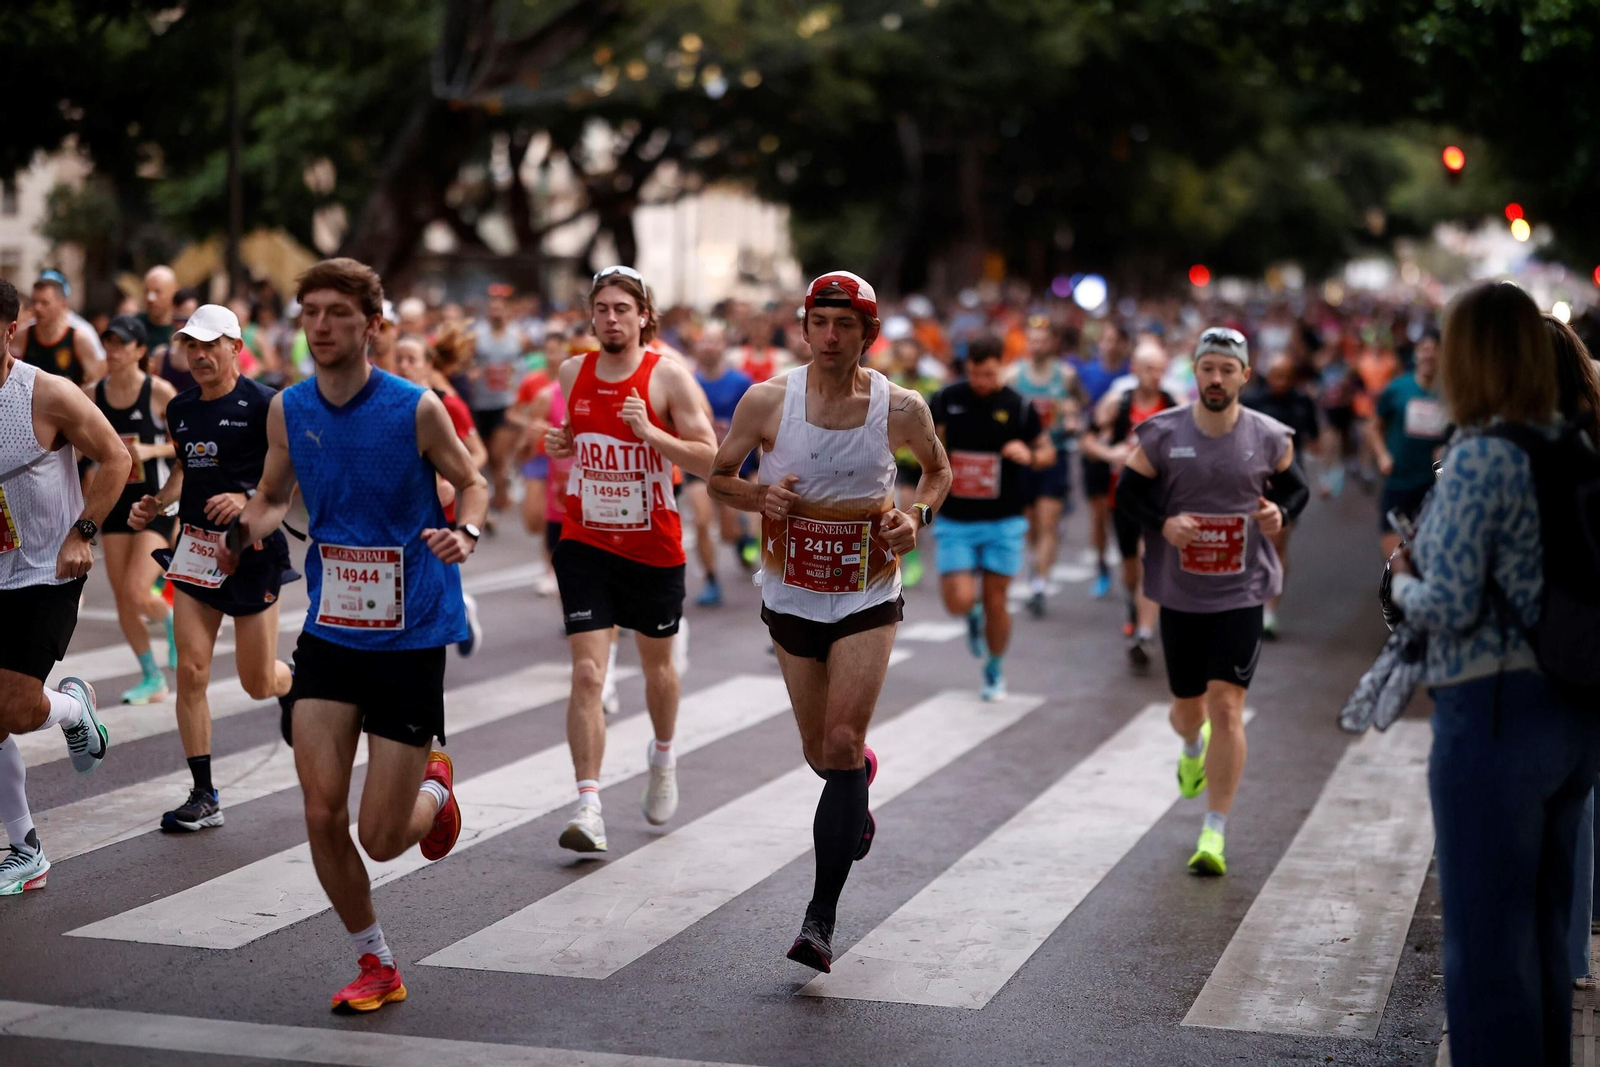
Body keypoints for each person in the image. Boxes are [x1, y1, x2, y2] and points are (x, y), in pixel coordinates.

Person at [220, 257, 484, 1014]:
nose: (322, 326)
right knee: (319, 809)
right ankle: (376, 961)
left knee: (382, 834)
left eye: (338, 312)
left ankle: (435, 788)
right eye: (310, 313)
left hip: (409, 636)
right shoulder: (288, 409)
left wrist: (463, 528)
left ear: (373, 325)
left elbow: (473, 479)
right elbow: (273, 495)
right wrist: (245, 528)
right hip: (332, 632)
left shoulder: (416, 407)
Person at [707, 270, 950, 972]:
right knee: (823, 755)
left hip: (867, 590)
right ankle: (856, 782)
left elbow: (936, 471)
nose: (832, 337)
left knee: (842, 741)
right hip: (791, 592)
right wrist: (759, 496)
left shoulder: (899, 408)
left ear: (868, 335)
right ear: (805, 327)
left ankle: (820, 918)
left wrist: (917, 517)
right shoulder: (767, 400)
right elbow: (720, 476)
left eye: (846, 326)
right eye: (820, 323)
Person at [1389, 281, 1600, 1065]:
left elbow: (1443, 601)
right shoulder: (1574, 444)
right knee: (1545, 934)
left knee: (1484, 946)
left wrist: (1401, 574)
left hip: (1495, 711)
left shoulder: (1481, 456)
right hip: (1574, 710)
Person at [1113, 326, 1308, 877]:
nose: (1216, 378)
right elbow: (1126, 495)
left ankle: (1214, 830)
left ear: (1245, 375)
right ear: (1194, 373)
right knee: (1188, 710)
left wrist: (1281, 514)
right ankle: (1190, 747)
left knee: (1228, 707)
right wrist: (1163, 522)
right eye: (1207, 368)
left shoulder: (1269, 436)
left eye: (1227, 368)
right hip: (1180, 593)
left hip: (1241, 592)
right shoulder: (1161, 434)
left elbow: (1297, 488)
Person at [543, 266, 717, 852]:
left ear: (644, 315)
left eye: (623, 308)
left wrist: (652, 433)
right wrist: (563, 443)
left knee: (658, 673)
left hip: (653, 548)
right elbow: (577, 434)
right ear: (591, 315)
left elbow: (708, 458)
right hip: (585, 542)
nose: (611, 319)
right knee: (589, 672)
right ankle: (588, 806)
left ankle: (662, 757)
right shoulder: (573, 371)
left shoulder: (667, 377)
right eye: (602, 309)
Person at [128, 304, 296, 833]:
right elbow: (185, 464)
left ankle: (291, 684)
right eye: (190, 346)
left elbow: (287, 483)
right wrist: (158, 504)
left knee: (256, 682)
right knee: (192, 672)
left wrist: (245, 498)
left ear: (235, 347)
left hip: (253, 555)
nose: (198, 355)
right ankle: (204, 794)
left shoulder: (267, 405)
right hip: (196, 554)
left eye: (209, 345)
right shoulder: (180, 409)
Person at [0, 277, 129, 895]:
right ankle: (24, 850)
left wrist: (83, 532)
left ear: (9, 331)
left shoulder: (47, 395)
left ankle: (76, 708)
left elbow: (116, 458)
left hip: (46, 570)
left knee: (16, 708)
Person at [930, 336, 1052, 700]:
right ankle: (972, 615)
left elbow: (1047, 452)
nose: (981, 381)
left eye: (988, 374)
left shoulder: (1018, 406)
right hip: (956, 519)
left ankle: (994, 668)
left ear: (1001, 365)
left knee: (997, 599)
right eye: (974, 374)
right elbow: (923, 441)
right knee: (959, 600)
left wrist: (1028, 453)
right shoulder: (947, 399)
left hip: (1004, 519)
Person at [89, 315, 178, 703]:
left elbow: (189, 447)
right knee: (123, 599)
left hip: (156, 502)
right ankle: (152, 678)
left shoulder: (158, 392)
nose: (112, 350)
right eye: (107, 342)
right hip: (115, 504)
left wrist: (151, 449)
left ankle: (176, 623)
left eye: (121, 343)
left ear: (140, 351)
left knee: (138, 591)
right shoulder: (93, 394)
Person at [1082, 344, 1177, 670]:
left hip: (1158, 499)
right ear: (1135, 368)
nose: (1155, 376)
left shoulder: (1173, 405)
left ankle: (1145, 635)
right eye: (1149, 369)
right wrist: (1111, 454)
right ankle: (1134, 608)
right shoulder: (1118, 404)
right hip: (1122, 498)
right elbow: (1088, 440)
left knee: (1151, 561)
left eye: (1160, 369)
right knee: (1132, 568)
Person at [394, 334, 486, 657]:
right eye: (399, 359)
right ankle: (458, 605)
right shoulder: (389, 403)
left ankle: (456, 611)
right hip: (399, 510)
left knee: (423, 596)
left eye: (412, 360)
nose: (404, 366)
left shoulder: (446, 405)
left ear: (429, 365)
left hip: (438, 514)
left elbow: (478, 453)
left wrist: (449, 479)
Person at [1010, 318, 1085, 617]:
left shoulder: (1065, 375)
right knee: (1029, 524)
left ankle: (1039, 585)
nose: (1036, 345)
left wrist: (1072, 416)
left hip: (1054, 455)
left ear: (1053, 343)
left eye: (1042, 340)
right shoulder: (1014, 375)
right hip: (1024, 457)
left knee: (1048, 523)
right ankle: (1034, 562)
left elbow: (1081, 404)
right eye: (1032, 339)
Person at [1243, 354, 1322, 637]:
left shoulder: (1302, 403)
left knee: (1278, 543)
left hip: (1287, 483)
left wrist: (1323, 475)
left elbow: (1313, 441)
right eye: (1276, 375)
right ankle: (1247, 603)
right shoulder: (1252, 402)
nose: (1281, 382)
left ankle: (1269, 612)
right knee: (1250, 543)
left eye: (1286, 376)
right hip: (1253, 480)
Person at [686, 321, 756, 606]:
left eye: (714, 342)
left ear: (723, 347)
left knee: (728, 533)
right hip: (698, 464)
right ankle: (711, 580)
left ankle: (741, 537)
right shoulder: (689, 383)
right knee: (702, 522)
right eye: (704, 342)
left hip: (734, 466)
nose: (708, 347)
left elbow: (757, 422)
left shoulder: (741, 383)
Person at [1368, 328, 1448, 559]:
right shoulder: (1397, 389)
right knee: (1395, 557)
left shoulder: (1451, 392)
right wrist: (1382, 454)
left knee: (1429, 556)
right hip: (1399, 480)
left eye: (1435, 350)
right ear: (1415, 354)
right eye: (1423, 349)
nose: (1428, 355)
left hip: (1434, 485)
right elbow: (1374, 426)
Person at [1072, 322, 1131, 598]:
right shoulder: (1087, 372)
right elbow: (1078, 406)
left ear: (1123, 344)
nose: (1107, 344)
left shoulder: (1131, 372)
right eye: (1104, 339)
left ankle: (1130, 562)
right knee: (1098, 514)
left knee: (1122, 511)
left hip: (1126, 451)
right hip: (1095, 450)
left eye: (1113, 339)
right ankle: (1102, 567)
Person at [471, 284, 526, 517]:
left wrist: (521, 390)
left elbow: (528, 363)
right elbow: (465, 362)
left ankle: (500, 494)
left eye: (500, 309)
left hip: (505, 402)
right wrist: (471, 371)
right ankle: (497, 489)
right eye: (492, 309)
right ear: (487, 312)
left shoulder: (519, 337)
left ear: (507, 312)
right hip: (480, 402)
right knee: (486, 455)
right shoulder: (476, 336)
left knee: (497, 452)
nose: (496, 313)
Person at [10, 271, 103, 387]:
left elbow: (97, 383)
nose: (38, 308)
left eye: (45, 303)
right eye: (35, 302)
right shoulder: (22, 335)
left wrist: (72, 390)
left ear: (62, 304)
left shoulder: (78, 338)